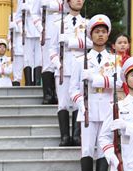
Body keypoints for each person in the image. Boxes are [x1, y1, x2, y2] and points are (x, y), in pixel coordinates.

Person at [70, 14, 120, 171]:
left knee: (104, 146)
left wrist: (97, 79)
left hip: (107, 108)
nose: (100, 35)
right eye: (97, 32)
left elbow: (120, 83)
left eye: (103, 32)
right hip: (88, 108)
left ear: (108, 35)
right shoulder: (79, 61)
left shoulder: (115, 60)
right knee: (87, 148)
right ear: (90, 35)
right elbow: (73, 89)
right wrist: (80, 105)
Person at [48, 0, 87, 147]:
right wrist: (58, 65)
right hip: (64, 68)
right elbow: (52, 49)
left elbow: (91, 43)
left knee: (78, 103)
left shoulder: (87, 23)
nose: (79, 1)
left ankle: (76, 136)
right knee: (63, 104)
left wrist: (71, 42)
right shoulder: (58, 23)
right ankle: (65, 136)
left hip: (80, 68)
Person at [14, 0, 42, 87]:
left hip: (39, 30)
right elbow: (18, 17)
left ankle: (37, 82)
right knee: (27, 58)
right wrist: (21, 28)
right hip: (27, 31)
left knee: (39, 58)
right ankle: (28, 82)